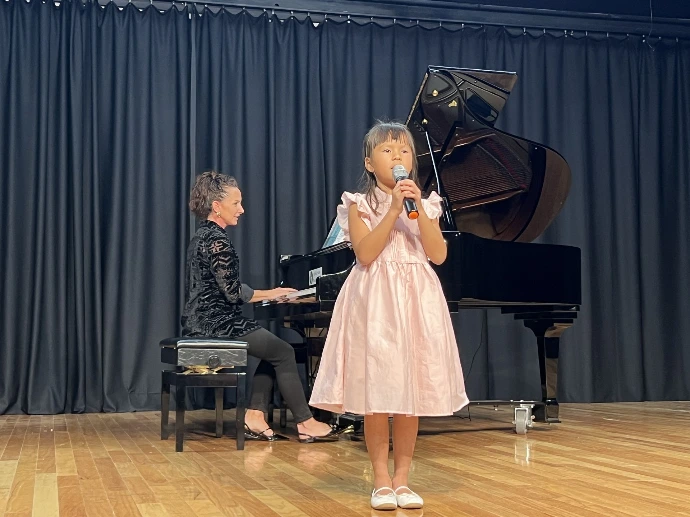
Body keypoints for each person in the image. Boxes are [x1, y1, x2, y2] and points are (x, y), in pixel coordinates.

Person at [309, 121, 469, 510]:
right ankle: (381, 479)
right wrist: (393, 209)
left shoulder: (425, 204)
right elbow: (365, 253)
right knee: (378, 393)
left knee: (409, 394)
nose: (397, 156)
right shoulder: (358, 204)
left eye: (404, 151)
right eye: (387, 150)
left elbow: (438, 254)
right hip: (375, 300)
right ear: (369, 162)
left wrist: (416, 210)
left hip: (416, 300)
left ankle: (403, 480)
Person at [181, 170, 340, 443]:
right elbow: (233, 293)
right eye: (236, 203)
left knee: (274, 350)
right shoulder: (217, 240)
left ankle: (255, 415)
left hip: (204, 320)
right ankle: (306, 423)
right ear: (216, 206)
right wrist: (273, 293)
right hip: (217, 323)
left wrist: (268, 295)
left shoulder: (202, 236)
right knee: (284, 352)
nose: (241, 209)